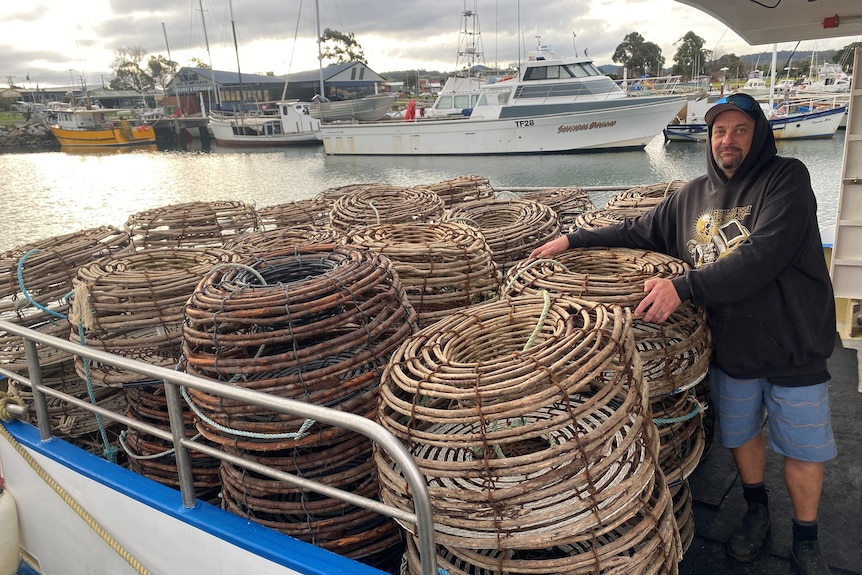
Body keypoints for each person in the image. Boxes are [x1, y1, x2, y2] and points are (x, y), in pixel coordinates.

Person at [529, 92, 836, 575]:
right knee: (742, 439)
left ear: (758, 136)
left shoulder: (788, 179)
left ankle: (806, 536)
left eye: (739, 130)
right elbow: (636, 231)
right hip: (732, 350)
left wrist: (684, 286)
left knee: (802, 449)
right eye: (718, 131)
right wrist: (572, 239)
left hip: (794, 345)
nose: (726, 140)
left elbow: (763, 257)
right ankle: (756, 512)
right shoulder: (691, 196)